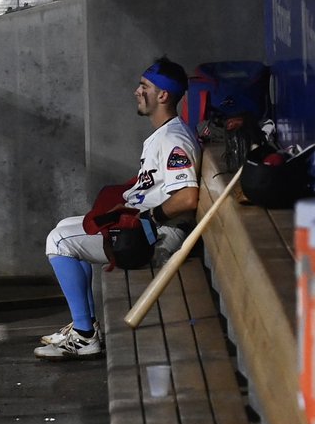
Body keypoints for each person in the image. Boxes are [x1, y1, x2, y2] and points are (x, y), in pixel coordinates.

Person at [35, 55, 200, 360]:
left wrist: (150, 216)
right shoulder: (164, 134)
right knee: (63, 228)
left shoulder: (174, 138)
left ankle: (85, 337)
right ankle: (84, 327)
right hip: (148, 227)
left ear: (162, 95)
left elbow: (188, 197)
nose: (137, 91)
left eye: (144, 86)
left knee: (58, 242)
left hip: (158, 237)